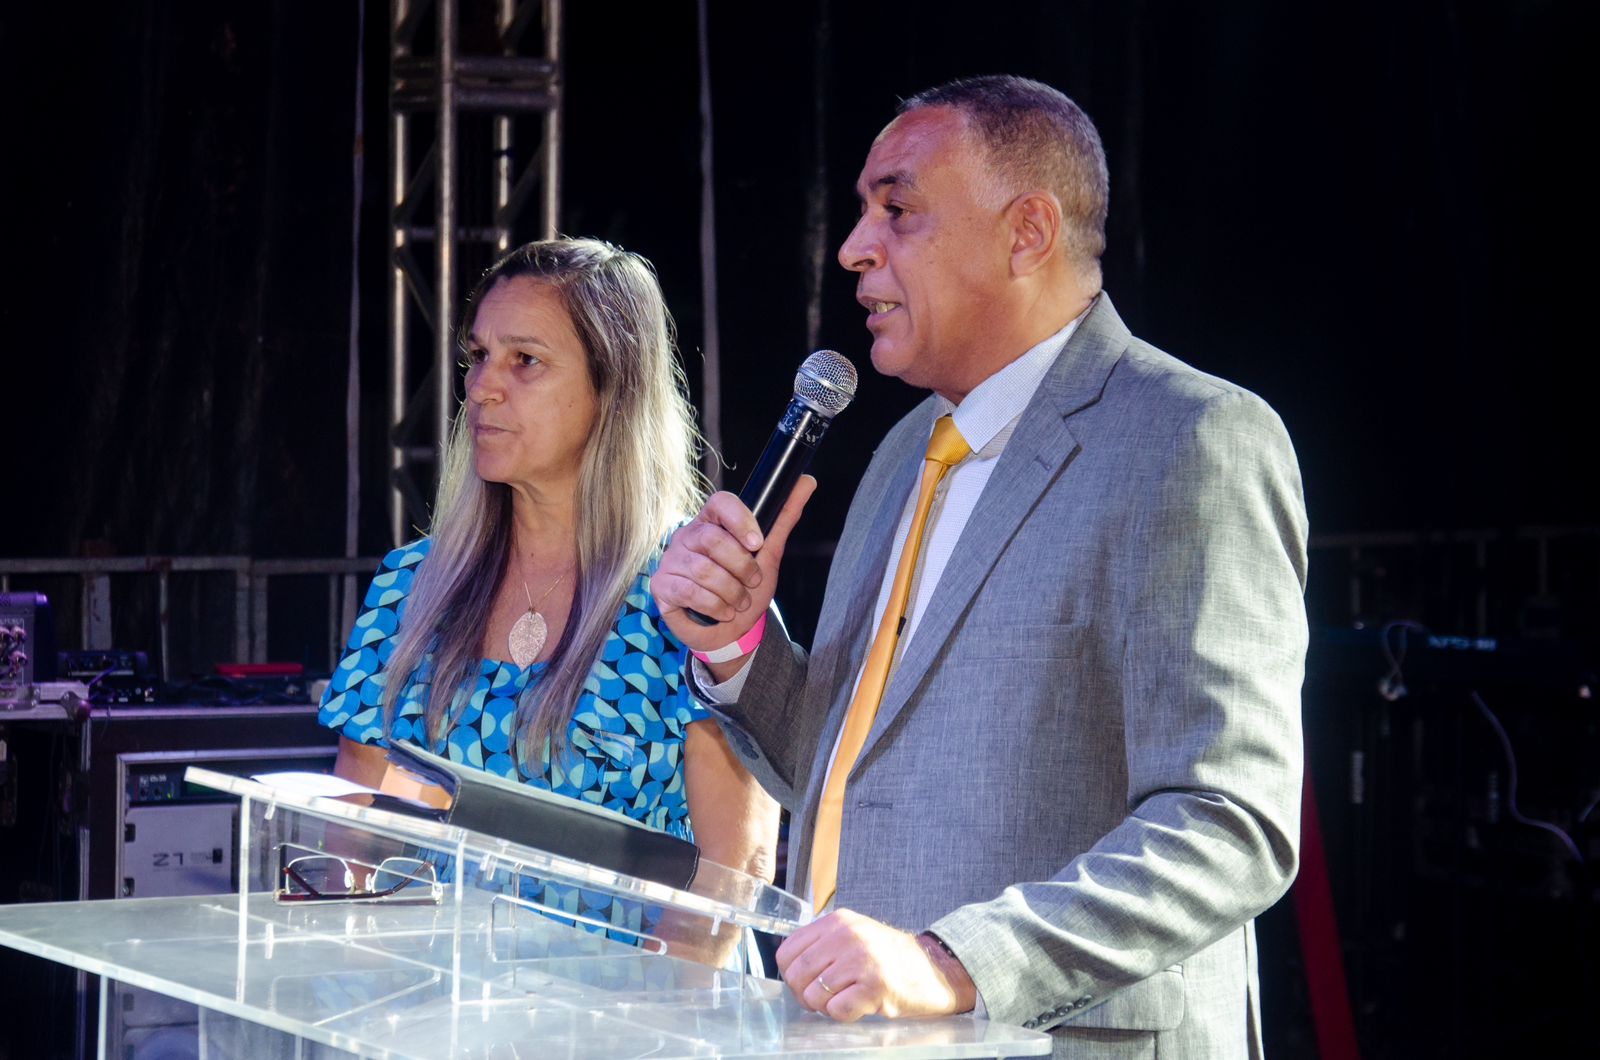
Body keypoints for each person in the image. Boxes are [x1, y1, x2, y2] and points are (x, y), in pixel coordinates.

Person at [651, 76, 1307, 1057]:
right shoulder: (902, 455)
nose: (853, 248)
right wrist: (740, 643)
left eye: (897, 210)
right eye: (861, 212)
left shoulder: (1190, 440)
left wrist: (957, 962)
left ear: (1027, 232)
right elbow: (853, 774)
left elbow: (1229, 823)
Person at [318, 238, 778, 949]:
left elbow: (732, 874)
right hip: (432, 995)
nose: (481, 387)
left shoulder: (695, 592)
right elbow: (354, 829)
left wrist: (641, 1008)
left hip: (632, 1003)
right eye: (479, 356)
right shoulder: (411, 583)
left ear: (612, 388)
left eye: (525, 360)